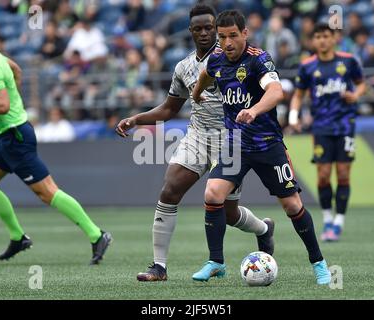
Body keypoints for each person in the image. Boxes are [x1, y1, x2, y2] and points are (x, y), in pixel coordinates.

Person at [116, 4, 274, 282]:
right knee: (169, 190)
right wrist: (136, 119)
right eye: (198, 29)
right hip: (198, 135)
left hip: (232, 138)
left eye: (209, 28)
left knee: (228, 211)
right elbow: (169, 109)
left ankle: (262, 229)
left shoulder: (235, 58)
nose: (204, 33)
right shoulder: (183, 67)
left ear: (217, 28)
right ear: (190, 31)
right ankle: (159, 267)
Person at [192, 10, 330, 285]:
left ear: (245, 33)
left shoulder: (258, 60)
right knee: (213, 192)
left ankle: (319, 262)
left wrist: (254, 110)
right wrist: (196, 93)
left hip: (268, 144)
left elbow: (277, 91)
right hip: (235, 145)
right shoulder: (217, 59)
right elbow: (207, 74)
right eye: (222, 37)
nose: (227, 42)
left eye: (233, 36)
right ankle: (216, 262)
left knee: (292, 205)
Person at [0, 21, 112, 264]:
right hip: (7, 137)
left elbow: (2, 105)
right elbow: (17, 70)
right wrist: (15, 98)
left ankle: (97, 235)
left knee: (47, 192)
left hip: (16, 137)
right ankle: (18, 237)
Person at [289, 23, 366, 241]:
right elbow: (298, 94)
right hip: (321, 126)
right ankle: (327, 220)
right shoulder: (307, 66)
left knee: (343, 173)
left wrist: (356, 95)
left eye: (326, 36)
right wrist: (294, 117)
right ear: (313, 40)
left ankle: (339, 221)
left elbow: (361, 84)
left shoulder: (348, 61)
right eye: (318, 36)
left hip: (345, 125)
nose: (322, 40)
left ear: (334, 38)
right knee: (323, 176)